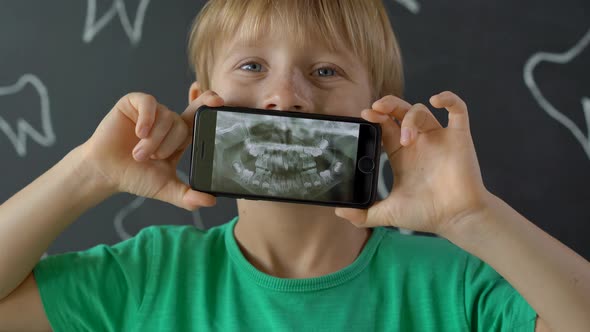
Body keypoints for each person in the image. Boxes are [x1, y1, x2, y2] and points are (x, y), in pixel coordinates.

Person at [0, 0, 588, 331]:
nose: (286, 96)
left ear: (378, 117)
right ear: (204, 104)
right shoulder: (148, 278)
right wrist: (88, 172)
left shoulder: (455, 286)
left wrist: (472, 216)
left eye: (326, 71)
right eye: (252, 67)